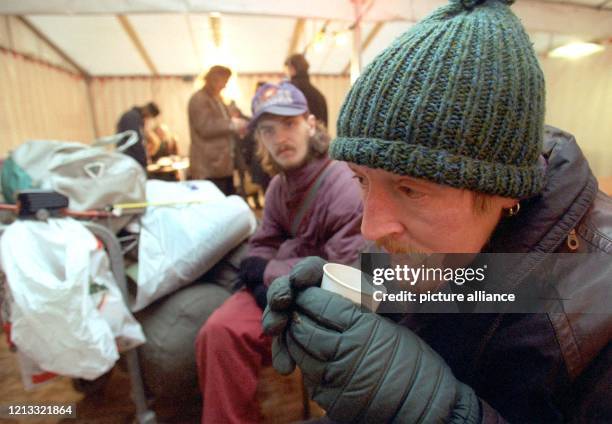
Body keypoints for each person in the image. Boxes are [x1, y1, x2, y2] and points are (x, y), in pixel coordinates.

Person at [262, 1, 612, 423]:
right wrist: (336, 307)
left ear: (504, 192)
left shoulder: (598, 306)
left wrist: (430, 409)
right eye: (361, 180)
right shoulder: (432, 247)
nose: (370, 226)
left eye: (410, 188)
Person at [195, 82, 365, 423]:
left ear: (311, 124)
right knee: (218, 332)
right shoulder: (277, 187)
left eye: (289, 124)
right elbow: (261, 244)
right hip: (282, 289)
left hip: (328, 299)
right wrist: (260, 274)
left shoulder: (343, 182)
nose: (280, 138)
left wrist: (267, 273)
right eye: (268, 130)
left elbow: (343, 268)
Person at [188, 65, 248, 195]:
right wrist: (232, 125)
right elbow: (205, 127)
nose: (225, 86)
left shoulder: (216, 99)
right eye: (224, 81)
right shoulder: (199, 99)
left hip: (222, 166)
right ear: (214, 79)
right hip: (209, 167)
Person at [285, 53, 328, 127]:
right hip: (315, 137)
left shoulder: (287, 91)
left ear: (292, 68)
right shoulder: (319, 96)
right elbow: (324, 126)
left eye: (287, 70)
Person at [116, 101, 160, 169]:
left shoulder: (133, 116)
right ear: (148, 112)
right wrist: (144, 160)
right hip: (130, 160)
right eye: (149, 117)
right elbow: (135, 140)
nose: (147, 119)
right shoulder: (132, 117)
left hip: (129, 159)